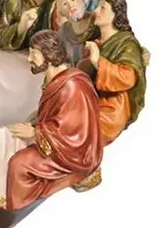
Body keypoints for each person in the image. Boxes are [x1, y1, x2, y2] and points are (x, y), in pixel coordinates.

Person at [6, 30, 103, 210]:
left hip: (75, 154)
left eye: (34, 54)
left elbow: (72, 132)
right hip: (59, 144)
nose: (29, 59)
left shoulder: (72, 86)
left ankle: (21, 208)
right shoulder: (56, 80)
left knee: (18, 164)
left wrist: (35, 132)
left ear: (49, 55)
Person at [84, 0, 147, 146]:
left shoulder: (127, 43)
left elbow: (128, 77)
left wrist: (98, 61)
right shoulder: (94, 39)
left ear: (116, 14)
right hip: (89, 98)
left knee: (81, 130)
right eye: (97, 7)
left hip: (112, 106)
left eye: (102, 8)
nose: (96, 11)